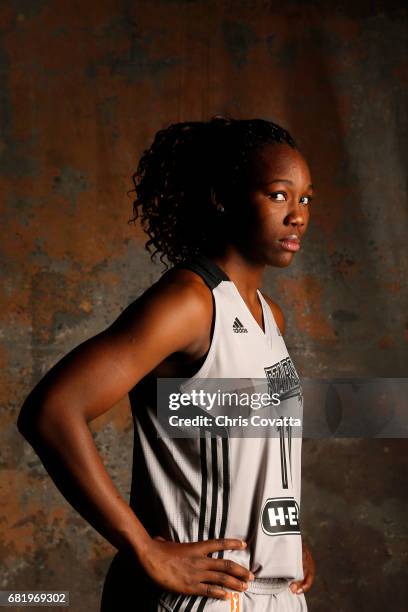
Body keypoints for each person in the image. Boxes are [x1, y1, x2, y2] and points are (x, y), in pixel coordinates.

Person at [18, 116, 316, 611]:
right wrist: (145, 548)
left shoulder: (268, 316)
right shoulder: (190, 303)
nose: (298, 215)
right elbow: (52, 411)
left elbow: (258, 452)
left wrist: (282, 542)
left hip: (276, 593)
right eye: (279, 194)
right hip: (205, 595)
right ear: (223, 197)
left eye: (305, 198)